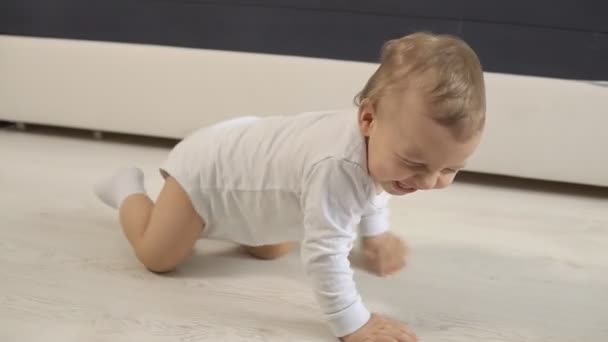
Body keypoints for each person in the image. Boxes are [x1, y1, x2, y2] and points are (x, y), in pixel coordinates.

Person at [94, 32, 486, 342]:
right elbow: (325, 255)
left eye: (451, 168)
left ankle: (231, 223)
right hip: (209, 174)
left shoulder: (382, 141)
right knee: (158, 256)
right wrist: (354, 323)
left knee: (271, 249)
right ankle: (127, 189)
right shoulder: (337, 166)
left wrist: (376, 234)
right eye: (416, 163)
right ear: (367, 119)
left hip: (253, 186)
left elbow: (377, 185)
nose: (430, 181)